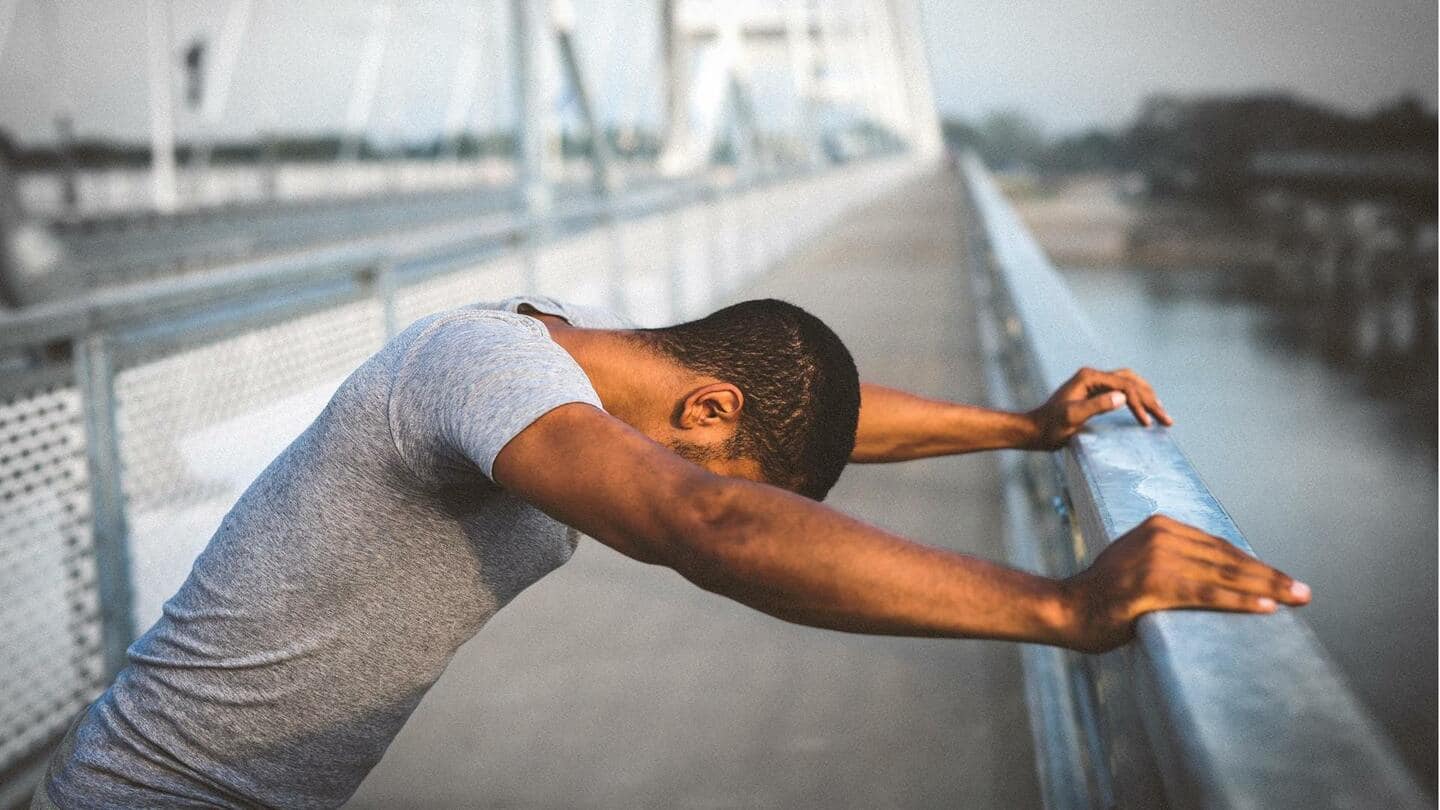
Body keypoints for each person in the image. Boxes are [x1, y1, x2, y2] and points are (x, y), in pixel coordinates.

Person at [35, 295, 1309, 808]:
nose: (671, 469)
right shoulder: (481, 367)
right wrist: (1060, 605)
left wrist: (1024, 428)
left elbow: (789, 436)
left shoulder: (588, 367)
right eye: (707, 443)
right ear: (703, 406)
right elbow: (713, 515)